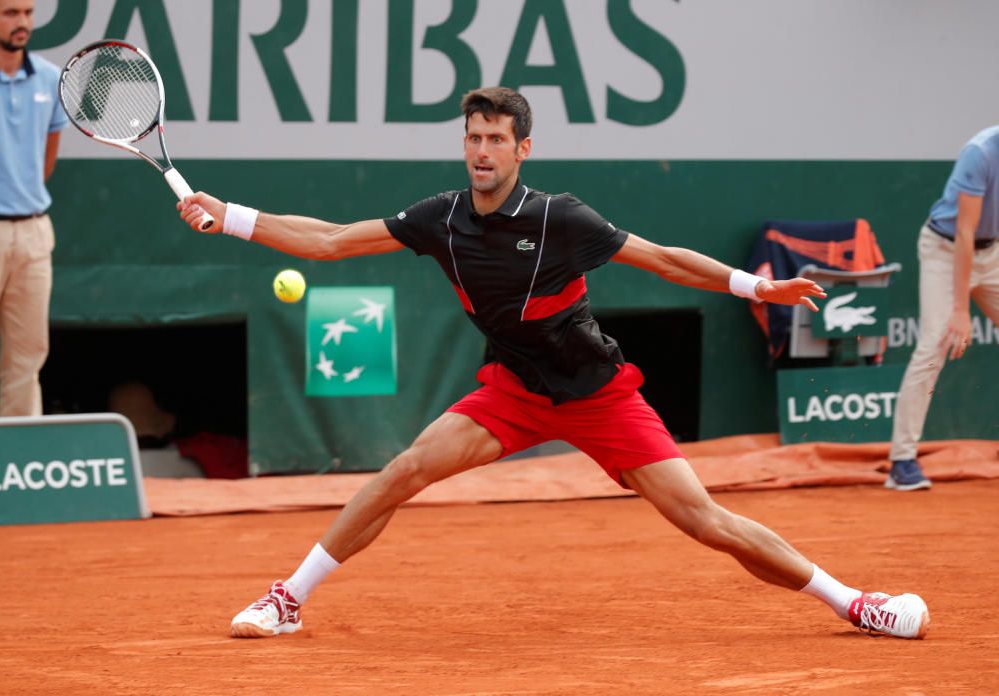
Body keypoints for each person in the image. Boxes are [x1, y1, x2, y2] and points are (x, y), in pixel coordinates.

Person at [178, 87, 930, 641]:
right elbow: (331, 240)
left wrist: (757, 284)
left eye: (496, 139)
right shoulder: (440, 218)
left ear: (521, 149)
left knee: (706, 521)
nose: (480, 151)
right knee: (404, 471)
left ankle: (855, 602)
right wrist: (232, 219)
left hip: (599, 392)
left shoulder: (559, 218)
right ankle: (288, 599)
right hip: (511, 389)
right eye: (472, 137)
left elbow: (662, 259)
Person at [887, 126, 999, 491]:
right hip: (945, 249)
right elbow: (965, 232)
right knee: (934, 344)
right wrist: (960, 309)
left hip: (993, 251)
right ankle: (902, 461)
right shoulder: (980, 153)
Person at [0, 0, 66, 417]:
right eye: (10, 13)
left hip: (34, 235)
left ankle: (13, 469)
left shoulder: (49, 79)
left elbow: (45, 161)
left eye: (28, 12)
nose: (22, 22)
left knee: (27, 361)